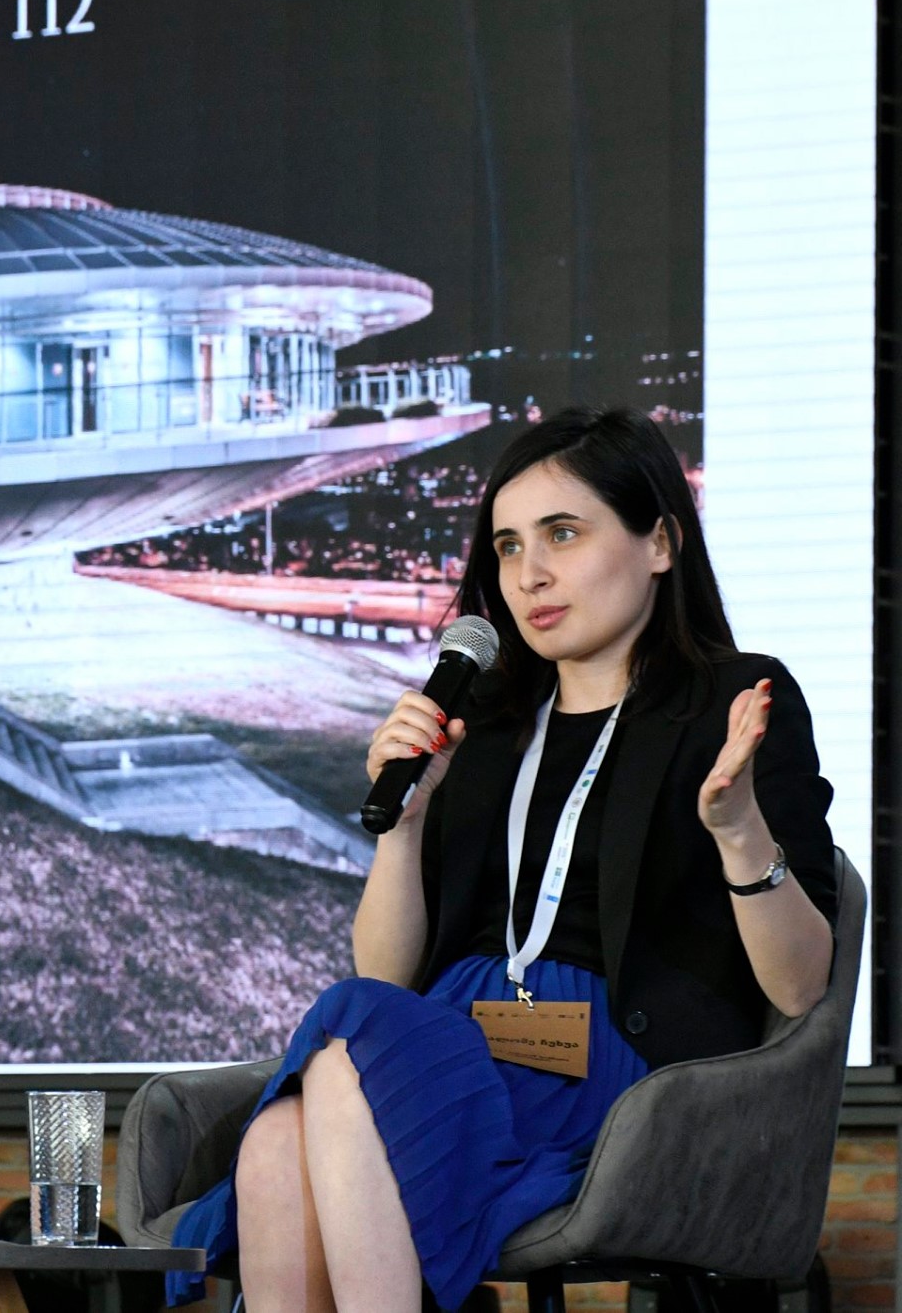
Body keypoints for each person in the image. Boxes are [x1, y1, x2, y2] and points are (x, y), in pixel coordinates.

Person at [168, 406, 838, 1312]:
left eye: (563, 534)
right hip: (461, 1036)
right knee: (276, 1142)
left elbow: (800, 987)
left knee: (339, 1046)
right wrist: (406, 825)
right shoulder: (482, 722)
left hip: (612, 1061)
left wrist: (737, 830)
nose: (529, 575)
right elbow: (387, 973)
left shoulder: (732, 698)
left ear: (660, 542)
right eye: (508, 546)